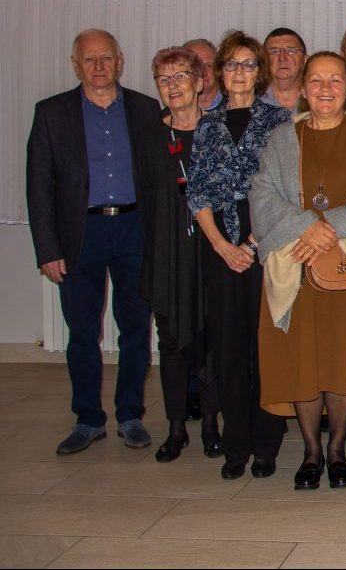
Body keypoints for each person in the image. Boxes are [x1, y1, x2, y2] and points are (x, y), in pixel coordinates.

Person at [251, 52, 346, 490]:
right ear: (303, 87)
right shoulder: (283, 137)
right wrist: (305, 227)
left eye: (335, 80)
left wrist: (327, 226)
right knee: (303, 360)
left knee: (344, 359)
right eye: (316, 80)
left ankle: (337, 451)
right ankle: (311, 451)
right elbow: (262, 194)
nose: (326, 89)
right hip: (296, 263)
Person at [26, 29, 160, 454]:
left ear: (119, 61)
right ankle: (88, 419)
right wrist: (48, 249)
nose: (99, 67)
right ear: (75, 65)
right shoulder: (51, 113)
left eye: (106, 58)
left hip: (134, 230)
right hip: (79, 235)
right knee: (82, 332)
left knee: (135, 327)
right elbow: (38, 187)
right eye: (89, 59)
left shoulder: (146, 109)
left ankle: (130, 415)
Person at [188, 30, 292, 480]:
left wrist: (249, 244)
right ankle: (236, 445)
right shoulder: (206, 124)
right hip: (220, 249)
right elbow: (198, 193)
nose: (239, 72)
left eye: (248, 64)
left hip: (267, 246)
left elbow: (287, 190)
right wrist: (222, 247)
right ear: (219, 72)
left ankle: (266, 444)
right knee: (229, 352)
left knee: (267, 350)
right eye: (232, 64)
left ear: (260, 72)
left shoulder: (280, 121)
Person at [139, 46, 221, 462]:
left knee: (211, 339)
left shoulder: (219, 131)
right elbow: (145, 200)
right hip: (167, 253)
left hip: (211, 252)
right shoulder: (149, 136)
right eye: (164, 79)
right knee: (170, 342)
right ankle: (175, 428)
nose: (173, 86)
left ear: (200, 81)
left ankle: (210, 426)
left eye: (181, 77)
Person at [262, 27, 307, 113]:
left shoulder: (318, 98)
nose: (282, 58)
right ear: (264, 60)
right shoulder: (251, 101)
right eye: (274, 52)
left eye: (291, 51)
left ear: (305, 59)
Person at [183, 38, 223, 111]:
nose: (203, 72)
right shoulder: (172, 114)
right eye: (196, 66)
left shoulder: (235, 107)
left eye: (209, 65)